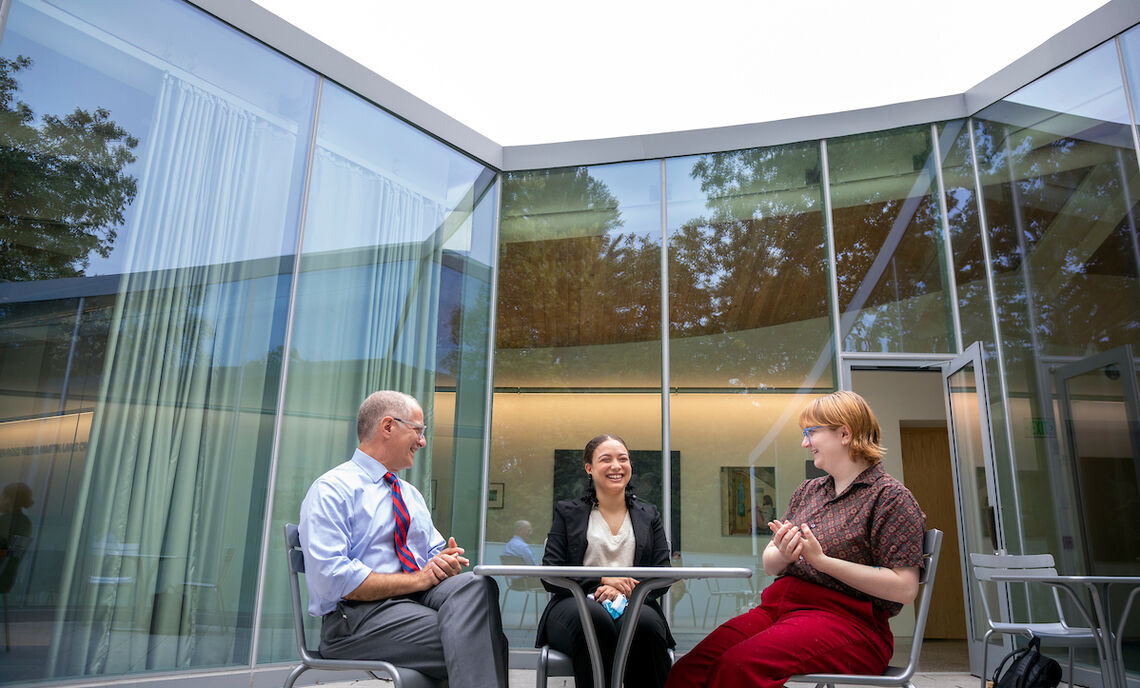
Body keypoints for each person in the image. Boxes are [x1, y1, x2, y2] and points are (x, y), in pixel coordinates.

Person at [666, 390, 926, 688]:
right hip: (780, 610)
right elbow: (772, 564)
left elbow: (905, 589)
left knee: (738, 667)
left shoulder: (890, 497)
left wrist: (823, 563)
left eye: (811, 432)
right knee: (690, 670)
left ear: (844, 433)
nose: (805, 443)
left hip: (851, 624)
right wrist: (785, 553)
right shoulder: (809, 491)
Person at [299, 390, 509, 687]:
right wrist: (418, 580)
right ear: (388, 427)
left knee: (476, 584)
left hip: (415, 604)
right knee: (479, 636)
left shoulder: (409, 494)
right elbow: (330, 578)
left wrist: (442, 561)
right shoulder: (332, 489)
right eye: (418, 430)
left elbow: (431, 555)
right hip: (357, 620)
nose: (422, 441)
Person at [536, 434, 674, 688]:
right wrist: (602, 579)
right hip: (574, 602)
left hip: (634, 601)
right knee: (594, 621)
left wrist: (623, 587)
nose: (616, 466)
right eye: (606, 459)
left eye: (623, 459)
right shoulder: (567, 512)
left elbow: (663, 574)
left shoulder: (649, 515)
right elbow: (551, 572)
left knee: (642, 625)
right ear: (589, 468)